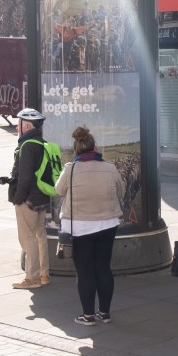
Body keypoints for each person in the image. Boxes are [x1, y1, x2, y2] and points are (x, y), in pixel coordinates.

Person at [55, 126, 125, 326]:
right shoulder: (110, 168)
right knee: (103, 268)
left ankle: (88, 316)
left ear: (76, 148)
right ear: (95, 147)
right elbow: (122, 191)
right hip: (107, 225)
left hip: (80, 228)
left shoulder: (71, 169)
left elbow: (58, 190)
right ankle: (104, 313)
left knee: (85, 271)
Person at [3, 108, 51, 290]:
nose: (17, 127)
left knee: (27, 238)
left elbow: (25, 177)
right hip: (40, 197)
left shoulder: (27, 145)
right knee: (40, 235)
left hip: (28, 199)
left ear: (27, 126)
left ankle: (32, 277)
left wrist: (18, 198)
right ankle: (44, 274)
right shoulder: (40, 142)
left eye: (19, 123)